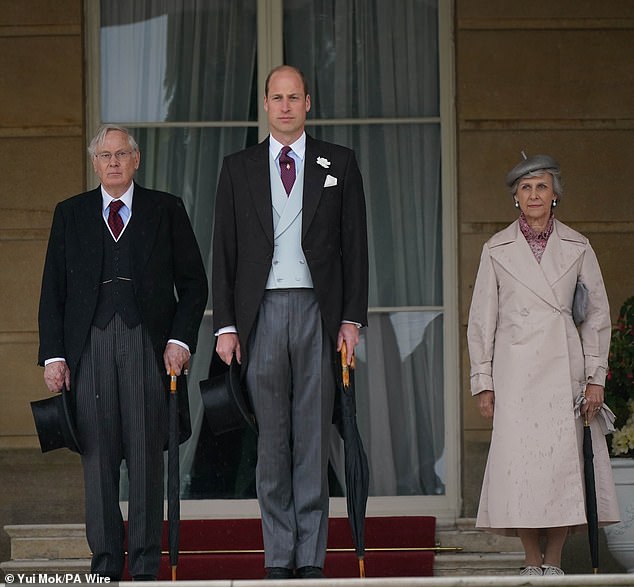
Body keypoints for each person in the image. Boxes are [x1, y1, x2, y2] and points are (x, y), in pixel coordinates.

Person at [212, 65, 368, 580]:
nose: (284, 106)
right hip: (262, 315)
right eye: (276, 97)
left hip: (318, 313)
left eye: (293, 97)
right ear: (265, 103)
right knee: (271, 440)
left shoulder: (338, 162)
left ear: (308, 103)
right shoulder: (238, 168)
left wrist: (351, 319)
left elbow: (355, 250)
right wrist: (227, 325)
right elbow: (225, 254)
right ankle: (278, 553)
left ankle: (310, 556)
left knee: (313, 436)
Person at [38, 124, 208, 581]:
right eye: (105, 155)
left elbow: (194, 284)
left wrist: (180, 340)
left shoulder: (165, 209)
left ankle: (147, 567)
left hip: (147, 347)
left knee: (147, 459)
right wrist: (54, 355)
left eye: (121, 154)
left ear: (136, 160)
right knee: (97, 463)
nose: (113, 162)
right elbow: (52, 289)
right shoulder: (70, 213)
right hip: (89, 350)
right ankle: (106, 568)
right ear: (95, 163)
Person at [467, 153, 620, 576]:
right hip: (514, 377)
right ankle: (530, 561)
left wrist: (595, 378)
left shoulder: (578, 246)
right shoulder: (496, 248)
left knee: (560, 469)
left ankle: (553, 562)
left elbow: (597, 318)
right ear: (516, 197)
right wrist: (484, 380)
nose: (534, 195)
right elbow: (482, 320)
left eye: (542, 187)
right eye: (525, 188)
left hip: (564, 374)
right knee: (521, 470)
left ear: (555, 196)